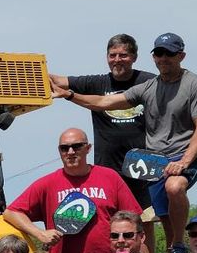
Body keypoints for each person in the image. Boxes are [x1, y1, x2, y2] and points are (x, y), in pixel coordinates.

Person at [56, 31, 197, 253]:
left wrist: (184, 161)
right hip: (151, 162)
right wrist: (70, 95)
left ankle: (178, 247)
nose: (163, 58)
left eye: (169, 54)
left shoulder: (195, 84)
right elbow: (105, 101)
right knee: (155, 215)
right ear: (153, 57)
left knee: (173, 188)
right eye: (159, 53)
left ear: (181, 56)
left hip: (182, 156)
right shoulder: (150, 86)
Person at [2, 128, 139, 253]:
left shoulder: (110, 178)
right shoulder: (48, 183)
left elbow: (135, 221)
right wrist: (40, 234)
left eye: (77, 146)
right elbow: (11, 212)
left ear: (88, 148)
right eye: (64, 148)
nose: (70, 152)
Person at [57, 33, 155, 203]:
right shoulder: (96, 83)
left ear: (134, 57)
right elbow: (58, 81)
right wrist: (27, 70)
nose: (117, 60)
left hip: (143, 163)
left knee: (145, 217)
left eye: (123, 55)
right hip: (108, 166)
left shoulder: (150, 82)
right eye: (112, 55)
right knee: (109, 214)